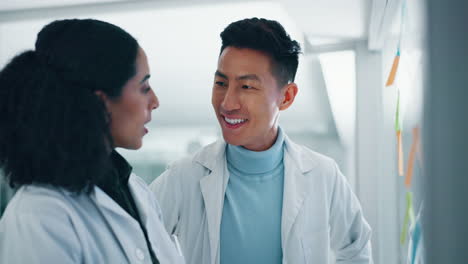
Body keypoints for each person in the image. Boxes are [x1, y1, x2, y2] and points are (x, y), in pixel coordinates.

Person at [150, 17, 373, 264]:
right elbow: (135, 243)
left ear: (286, 97)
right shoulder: (184, 177)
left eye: (246, 87)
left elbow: (357, 250)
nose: (227, 103)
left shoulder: (323, 174)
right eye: (221, 83)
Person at [0, 19, 184, 264]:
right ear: (101, 104)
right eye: (144, 87)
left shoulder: (135, 190)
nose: (155, 101)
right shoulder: (39, 216)